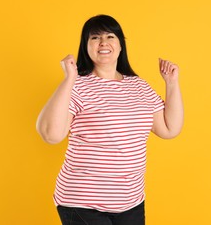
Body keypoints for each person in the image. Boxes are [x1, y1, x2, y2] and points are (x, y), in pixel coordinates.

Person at [36, 14, 184, 225]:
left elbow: (170, 129)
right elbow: (50, 135)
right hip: (82, 201)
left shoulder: (140, 87)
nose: (103, 42)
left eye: (110, 36)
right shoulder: (77, 86)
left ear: (121, 45)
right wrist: (69, 78)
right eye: (95, 37)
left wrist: (171, 83)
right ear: (85, 46)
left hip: (130, 201)